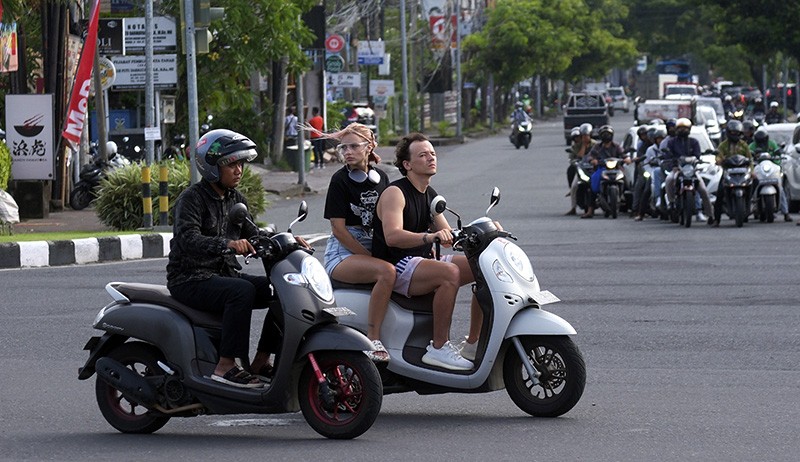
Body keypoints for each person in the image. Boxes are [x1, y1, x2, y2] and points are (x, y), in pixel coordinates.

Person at [167, 129, 282, 389]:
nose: (238, 170)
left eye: (240, 163)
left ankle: (261, 360)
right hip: (190, 278)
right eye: (231, 164)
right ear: (211, 167)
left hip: (222, 276)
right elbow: (188, 239)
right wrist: (227, 244)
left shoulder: (235, 200)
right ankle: (226, 365)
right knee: (240, 291)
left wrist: (285, 241)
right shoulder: (192, 199)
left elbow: (254, 235)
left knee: (279, 289)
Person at [371, 132, 481, 371]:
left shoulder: (429, 193)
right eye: (423, 155)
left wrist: (482, 231)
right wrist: (429, 236)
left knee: (481, 267)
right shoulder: (395, 193)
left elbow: (449, 235)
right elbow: (392, 236)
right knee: (449, 273)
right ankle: (439, 348)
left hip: (421, 260)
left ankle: (473, 343)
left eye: (432, 153)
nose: (431, 158)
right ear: (407, 165)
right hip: (397, 263)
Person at [316, 123, 395, 362]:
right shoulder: (340, 180)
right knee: (386, 273)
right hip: (343, 253)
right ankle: (373, 338)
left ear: (369, 147)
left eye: (353, 146)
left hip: (374, 246)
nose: (347, 152)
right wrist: (371, 258)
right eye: (343, 147)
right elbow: (338, 231)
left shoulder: (381, 177)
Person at [662, 118, 714, 224]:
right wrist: (673, 164)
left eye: (685, 129)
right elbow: (668, 155)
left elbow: (698, 155)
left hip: (691, 170)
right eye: (680, 129)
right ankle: (671, 202)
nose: (683, 131)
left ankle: (710, 214)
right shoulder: (671, 142)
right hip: (677, 169)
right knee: (669, 179)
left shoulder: (694, 142)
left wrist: (696, 160)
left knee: (703, 190)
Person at [582, 125, 629, 218]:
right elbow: (590, 156)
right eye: (604, 134)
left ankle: (632, 206)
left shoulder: (617, 146)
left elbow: (623, 155)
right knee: (593, 183)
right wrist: (592, 160)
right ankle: (590, 210)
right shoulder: (597, 147)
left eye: (608, 134)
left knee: (628, 183)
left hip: (616, 169)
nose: (606, 136)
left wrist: (626, 159)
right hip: (601, 169)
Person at [711, 120, 752, 227]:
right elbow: (718, 156)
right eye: (732, 133)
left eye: (737, 133)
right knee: (720, 193)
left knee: (754, 183)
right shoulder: (723, 145)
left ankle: (753, 207)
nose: (735, 135)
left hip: (743, 173)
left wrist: (752, 172)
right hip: (728, 172)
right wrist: (719, 160)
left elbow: (750, 159)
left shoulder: (744, 145)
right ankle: (717, 219)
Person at [749, 127, 792, 222]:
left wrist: (779, 153)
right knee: (751, 186)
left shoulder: (772, 144)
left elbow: (778, 152)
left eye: (763, 141)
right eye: (759, 142)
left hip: (772, 168)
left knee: (780, 189)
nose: (761, 143)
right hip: (758, 168)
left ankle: (786, 213)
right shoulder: (752, 146)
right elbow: (748, 155)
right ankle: (747, 209)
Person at [633, 125, 667, 221]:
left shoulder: (667, 148)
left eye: (662, 139)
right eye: (658, 139)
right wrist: (650, 173)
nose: (660, 141)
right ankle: (640, 213)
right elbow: (646, 163)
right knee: (647, 190)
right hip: (653, 172)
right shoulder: (650, 149)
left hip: (665, 171)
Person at [565, 123, 596, 216]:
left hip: (593, 168)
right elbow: (579, 156)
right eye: (583, 136)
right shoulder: (576, 146)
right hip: (582, 169)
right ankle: (573, 208)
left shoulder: (595, 144)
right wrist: (583, 145)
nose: (585, 137)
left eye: (586, 135)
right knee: (574, 187)